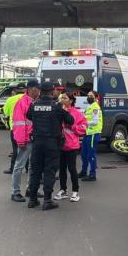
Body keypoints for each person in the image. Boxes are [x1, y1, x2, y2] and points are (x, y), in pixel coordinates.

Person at [26, 82, 74, 211]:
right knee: (49, 171)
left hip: (37, 142)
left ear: (41, 91)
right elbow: (71, 120)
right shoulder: (57, 106)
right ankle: (47, 200)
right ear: (52, 92)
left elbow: (28, 116)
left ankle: (32, 199)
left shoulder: (34, 105)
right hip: (52, 143)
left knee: (35, 171)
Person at [10, 79, 40, 203]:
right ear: (29, 89)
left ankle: (30, 189)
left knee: (33, 166)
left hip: (34, 138)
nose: (38, 92)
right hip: (25, 139)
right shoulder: (22, 102)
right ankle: (15, 192)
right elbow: (19, 123)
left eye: (38, 89)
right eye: (35, 89)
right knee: (19, 166)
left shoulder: (35, 101)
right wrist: (21, 139)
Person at [55, 92, 87, 202]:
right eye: (61, 97)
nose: (62, 99)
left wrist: (72, 125)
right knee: (62, 169)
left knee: (72, 169)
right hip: (60, 145)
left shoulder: (77, 113)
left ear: (71, 101)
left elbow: (83, 128)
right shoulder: (57, 111)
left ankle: (75, 192)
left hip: (72, 146)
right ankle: (63, 190)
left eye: (65, 98)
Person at [2, 83, 25, 175]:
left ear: (15, 90)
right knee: (28, 150)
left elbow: (6, 113)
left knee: (16, 150)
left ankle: (13, 168)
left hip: (14, 127)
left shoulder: (10, 99)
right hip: (28, 129)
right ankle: (28, 168)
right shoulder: (29, 99)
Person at [80, 90, 102, 182]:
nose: (88, 97)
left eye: (91, 95)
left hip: (93, 133)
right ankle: (84, 171)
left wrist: (85, 123)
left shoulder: (95, 107)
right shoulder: (89, 106)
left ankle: (92, 174)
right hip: (87, 133)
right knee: (83, 154)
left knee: (91, 155)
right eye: (88, 95)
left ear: (95, 97)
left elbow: (95, 121)